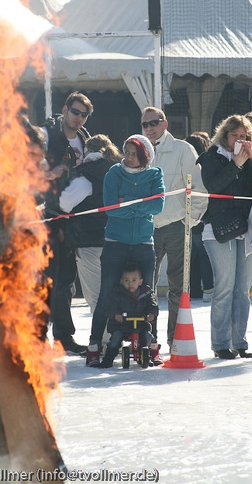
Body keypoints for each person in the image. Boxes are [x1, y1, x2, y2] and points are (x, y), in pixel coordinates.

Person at [198, 114, 252, 360]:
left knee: (242, 289)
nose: (239, 140)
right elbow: (214, 186)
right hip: (218, 229)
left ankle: (239, 341)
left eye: (244, 136)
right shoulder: (211, 157)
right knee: (224, 287)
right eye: (235, 136)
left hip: (247, 228)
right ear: (225, 136)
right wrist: (236, 164)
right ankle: (220, 344)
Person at [86, 134, 165, 367]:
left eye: (134, 153)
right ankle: (94, 345)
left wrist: (127, 201)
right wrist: (140, 204)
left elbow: (158, 205)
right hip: (115, 243)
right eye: (127, 152)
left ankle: (152, 346)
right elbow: (112, 208)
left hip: (143, 244)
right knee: (106, 294)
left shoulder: (155, 174)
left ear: (145, 156)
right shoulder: (114, 173)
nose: (128, 157)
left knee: (148, 296)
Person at [141, 107, 207, 347]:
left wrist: (189, 222)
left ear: (165, 123)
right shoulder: (139, 149)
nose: (149, 128)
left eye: (154, 123)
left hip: (176, 226)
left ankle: (175, 338)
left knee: (179, 286)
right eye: (145, 124)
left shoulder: (182, 149)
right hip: (147, 228)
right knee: (145, 286)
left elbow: (198, 188)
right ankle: (149, 338)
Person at [40, 91, 93, 354]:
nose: (79, 118)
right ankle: (35, 338)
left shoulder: (85, 139)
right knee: (43, 280)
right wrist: (49, 173)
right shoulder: (47, 134)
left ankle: (63, 337)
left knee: (65, 281)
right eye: (75, 112)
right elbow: (24, 165)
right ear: (65, 109)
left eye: (84, 115)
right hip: (43, 216)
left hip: (70, 220)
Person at [58, 134, 122, 314]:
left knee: (95, 296)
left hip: (89, 241)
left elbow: (64, 204)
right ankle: (116, 336)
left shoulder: (86, 173)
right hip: (118, 241)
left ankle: (104, 339)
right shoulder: (117, 170)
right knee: (115, 293)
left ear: (87, 151)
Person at [97, 261, 159, 369]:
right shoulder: (117, 293)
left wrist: (151, 314)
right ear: (121, 281)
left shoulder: (146, 293)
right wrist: (116, 315)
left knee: (147, 337)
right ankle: (108, 359)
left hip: (141, 324)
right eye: (126, 280)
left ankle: (146, 355)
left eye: (134, 280)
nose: (130, 284)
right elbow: (110, 307)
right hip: (122, 325)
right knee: (115, 340)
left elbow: (152, 305)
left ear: (140, 282)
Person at [185, 133, 214, 303]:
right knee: (202, 253)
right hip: (203, 215)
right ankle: (208, 288)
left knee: (193, 254)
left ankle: (194, 289)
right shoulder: (204, 164)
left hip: (190, 215)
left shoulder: (188, 165)